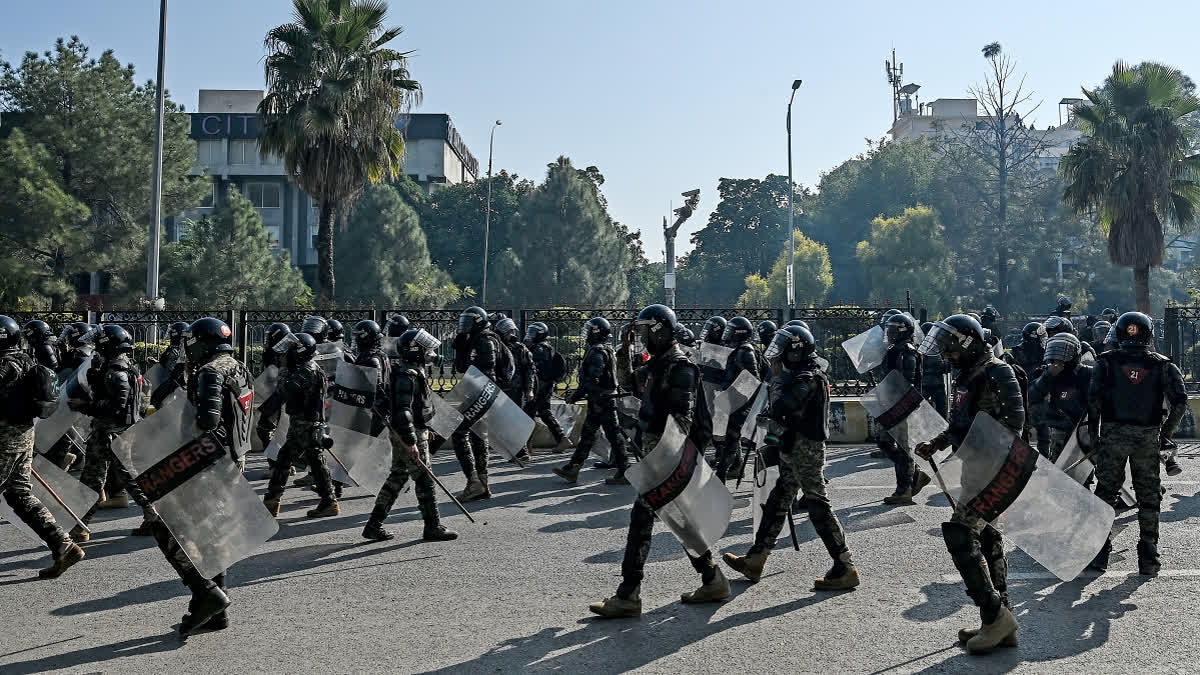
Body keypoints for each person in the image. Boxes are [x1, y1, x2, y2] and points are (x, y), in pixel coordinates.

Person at [589, 305, 728, 618]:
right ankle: (713, 579)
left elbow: (682, 422)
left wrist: (661, 461)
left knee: (642, 520)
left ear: (660, 330)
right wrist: (623, 352)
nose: (641, 338)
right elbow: (626, 383)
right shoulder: (659, 365)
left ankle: (628, 594)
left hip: (667, 460)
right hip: (657, 457)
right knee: (680, 522)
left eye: (644, 332)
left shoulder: (680, 367)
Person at [914, 314, 1024, 654]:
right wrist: (937, 443)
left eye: (951, 349)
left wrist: (990, 463)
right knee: (988, 538)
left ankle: (995, 616)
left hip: (992, 473)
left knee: (960, 535)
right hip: (973, 469)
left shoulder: (997, 373)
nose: (947, 357)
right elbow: (963, 423)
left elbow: (1014, 426)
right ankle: (999, 621)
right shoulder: (969, 377)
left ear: (969, 344)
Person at [722, 324, 860, 590]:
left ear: (795, 351)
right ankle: (756, 558)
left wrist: (776, 378)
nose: (777, 356)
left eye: (783, 349)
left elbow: (784, 406)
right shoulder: (798, 373)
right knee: (778, 501)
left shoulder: (807, 377)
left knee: (818, 504)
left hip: (805, 449)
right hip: (792, 445)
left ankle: (845, 566)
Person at [157, 317, 252, 634]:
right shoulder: (237, 366)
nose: (189, 347)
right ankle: (214, 610)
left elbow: (208, 421)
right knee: (213, 535)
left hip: (208, 463)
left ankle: (205, 592)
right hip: (234, 459)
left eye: (192, 341)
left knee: (166, 527)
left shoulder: (211, 372)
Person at [1088, 312, 1188, 575]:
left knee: (1105, 493)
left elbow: (1093, 402)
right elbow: (1180, 400)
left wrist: (1094, 437)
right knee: (1148, 496)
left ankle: (1099, 553)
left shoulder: (1106, 362)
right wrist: (1166, 433)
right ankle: (1148, 555)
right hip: (1147, 436)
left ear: (1119, 333)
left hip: (1112, 435)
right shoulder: (1162, 365)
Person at [0, 315, 85, 579]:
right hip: (24, 436)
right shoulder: (26, 361)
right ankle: (63, 545)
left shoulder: (4, 366)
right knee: (20, 495)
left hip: (3, 440)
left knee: (20, 494)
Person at [362, 328, 458, 543]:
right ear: (415, 351)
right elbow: (403, 411)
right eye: (425, 349)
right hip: (408, 433)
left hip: (411, 431)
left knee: (397, 476)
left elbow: (417, 409)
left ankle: (373, 526)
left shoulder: (411, 371)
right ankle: (433, 527)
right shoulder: (407, 375)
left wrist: (424, 430)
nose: (430, 353)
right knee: (425, 480)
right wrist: (411, 440)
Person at [69, 325, 158, 541]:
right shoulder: (125, 366)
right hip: (119, 431)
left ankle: (80, 527)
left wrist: (85, 406)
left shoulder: (117, 371)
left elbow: (116, 406)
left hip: (109, 432)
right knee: (128, 477)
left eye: (100, 343)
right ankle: (154, 515)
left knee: (92, 479)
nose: (97, 347)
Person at [262, 332, 339, 519]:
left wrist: (284, 371)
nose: (285, 355)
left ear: (300, 352)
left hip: (307, 424)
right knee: (305, 460)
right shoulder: (303, 367)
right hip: (303, 423)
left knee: (294, 460)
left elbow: (286, 390)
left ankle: (273, 501)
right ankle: (327, 501)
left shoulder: (308, 370)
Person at [554, 317, 630, 485]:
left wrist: (575, 395)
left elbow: (592, 379)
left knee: (614, 435)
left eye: (589, 330)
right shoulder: (602, 349)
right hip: (600, 400)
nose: (586, 333)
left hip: (603, 400)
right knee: (588, 434)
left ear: (595, 333)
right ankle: (573, 467)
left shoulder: (597, 352)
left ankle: (625, 470)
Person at [878, 312, 931, 505]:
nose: (889, 333)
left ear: (902, 331)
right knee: (883, 441)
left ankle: (904, 490)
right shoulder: (894, 349)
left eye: (893, 330)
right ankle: (915, 475)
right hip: (890, 404)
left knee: (902, 448)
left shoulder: (907, 351)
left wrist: (896, 401)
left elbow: (907, 381)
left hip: (902, 406)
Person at [452, 306, 503, 501]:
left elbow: (485, 369)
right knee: (478, 435)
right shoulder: (474, 338)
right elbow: (461, 368)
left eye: (469, 322)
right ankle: (482, 484)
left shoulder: (484, 339)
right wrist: (460, 348)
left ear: (478, 321)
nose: (465, 326)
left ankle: (474, 482)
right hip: (476, 391)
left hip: (483, 391)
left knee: (458, 431)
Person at [1026, 334, 1090, 461]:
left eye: (1061, 355)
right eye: (1054, 355)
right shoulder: (1047, 374)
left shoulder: (1086, 373)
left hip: (1080, 429)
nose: (1057, 359)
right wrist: (1048, 376)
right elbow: (1032, 396)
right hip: (1055, 428)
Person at [713, 316, 761, 482]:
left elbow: (753, 380)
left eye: (731, 330)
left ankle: (721, 476)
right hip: (735, 403)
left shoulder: (745, 351)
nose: (728, 333)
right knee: (732, 441)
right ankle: (724, 474)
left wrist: (742, 405)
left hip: (741, 405)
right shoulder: (739, 349)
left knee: (734, 440)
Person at [493, 315, 536, 461]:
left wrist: (529, 389)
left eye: (511, 331)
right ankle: (514, 449)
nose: (510, 335)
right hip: (498, 389)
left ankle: (521, 451)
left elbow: (530, 370)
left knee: (514, 420)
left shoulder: (520, 349)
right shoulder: (496, 348)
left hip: (515, 390)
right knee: (503, 421)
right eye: (507, 332)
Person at [523, 322, 571, 452]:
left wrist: (531, 388)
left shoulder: (539, 349)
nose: (530, 335)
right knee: (544, 413)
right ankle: (562, 439)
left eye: (533, 333)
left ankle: (526, 446)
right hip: (545, 386)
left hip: (540, 387)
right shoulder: (545, 347)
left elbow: (535, 370)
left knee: (527, 414)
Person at [149, 321, 190, 409]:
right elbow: (166, 364)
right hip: (167, 380)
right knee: (156, 399)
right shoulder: (172, 348)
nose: (171, 336)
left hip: (178, 385)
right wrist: (156, 363)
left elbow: (181, 368)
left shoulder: (186, 350)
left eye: (172, 333)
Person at [920, 321, 948, 418]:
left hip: (935, 384)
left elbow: (945, 368)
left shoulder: (938, 348)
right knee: (920, 411)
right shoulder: (920, 348)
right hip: (926, 384)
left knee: (942, 410)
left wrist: (946, 365)